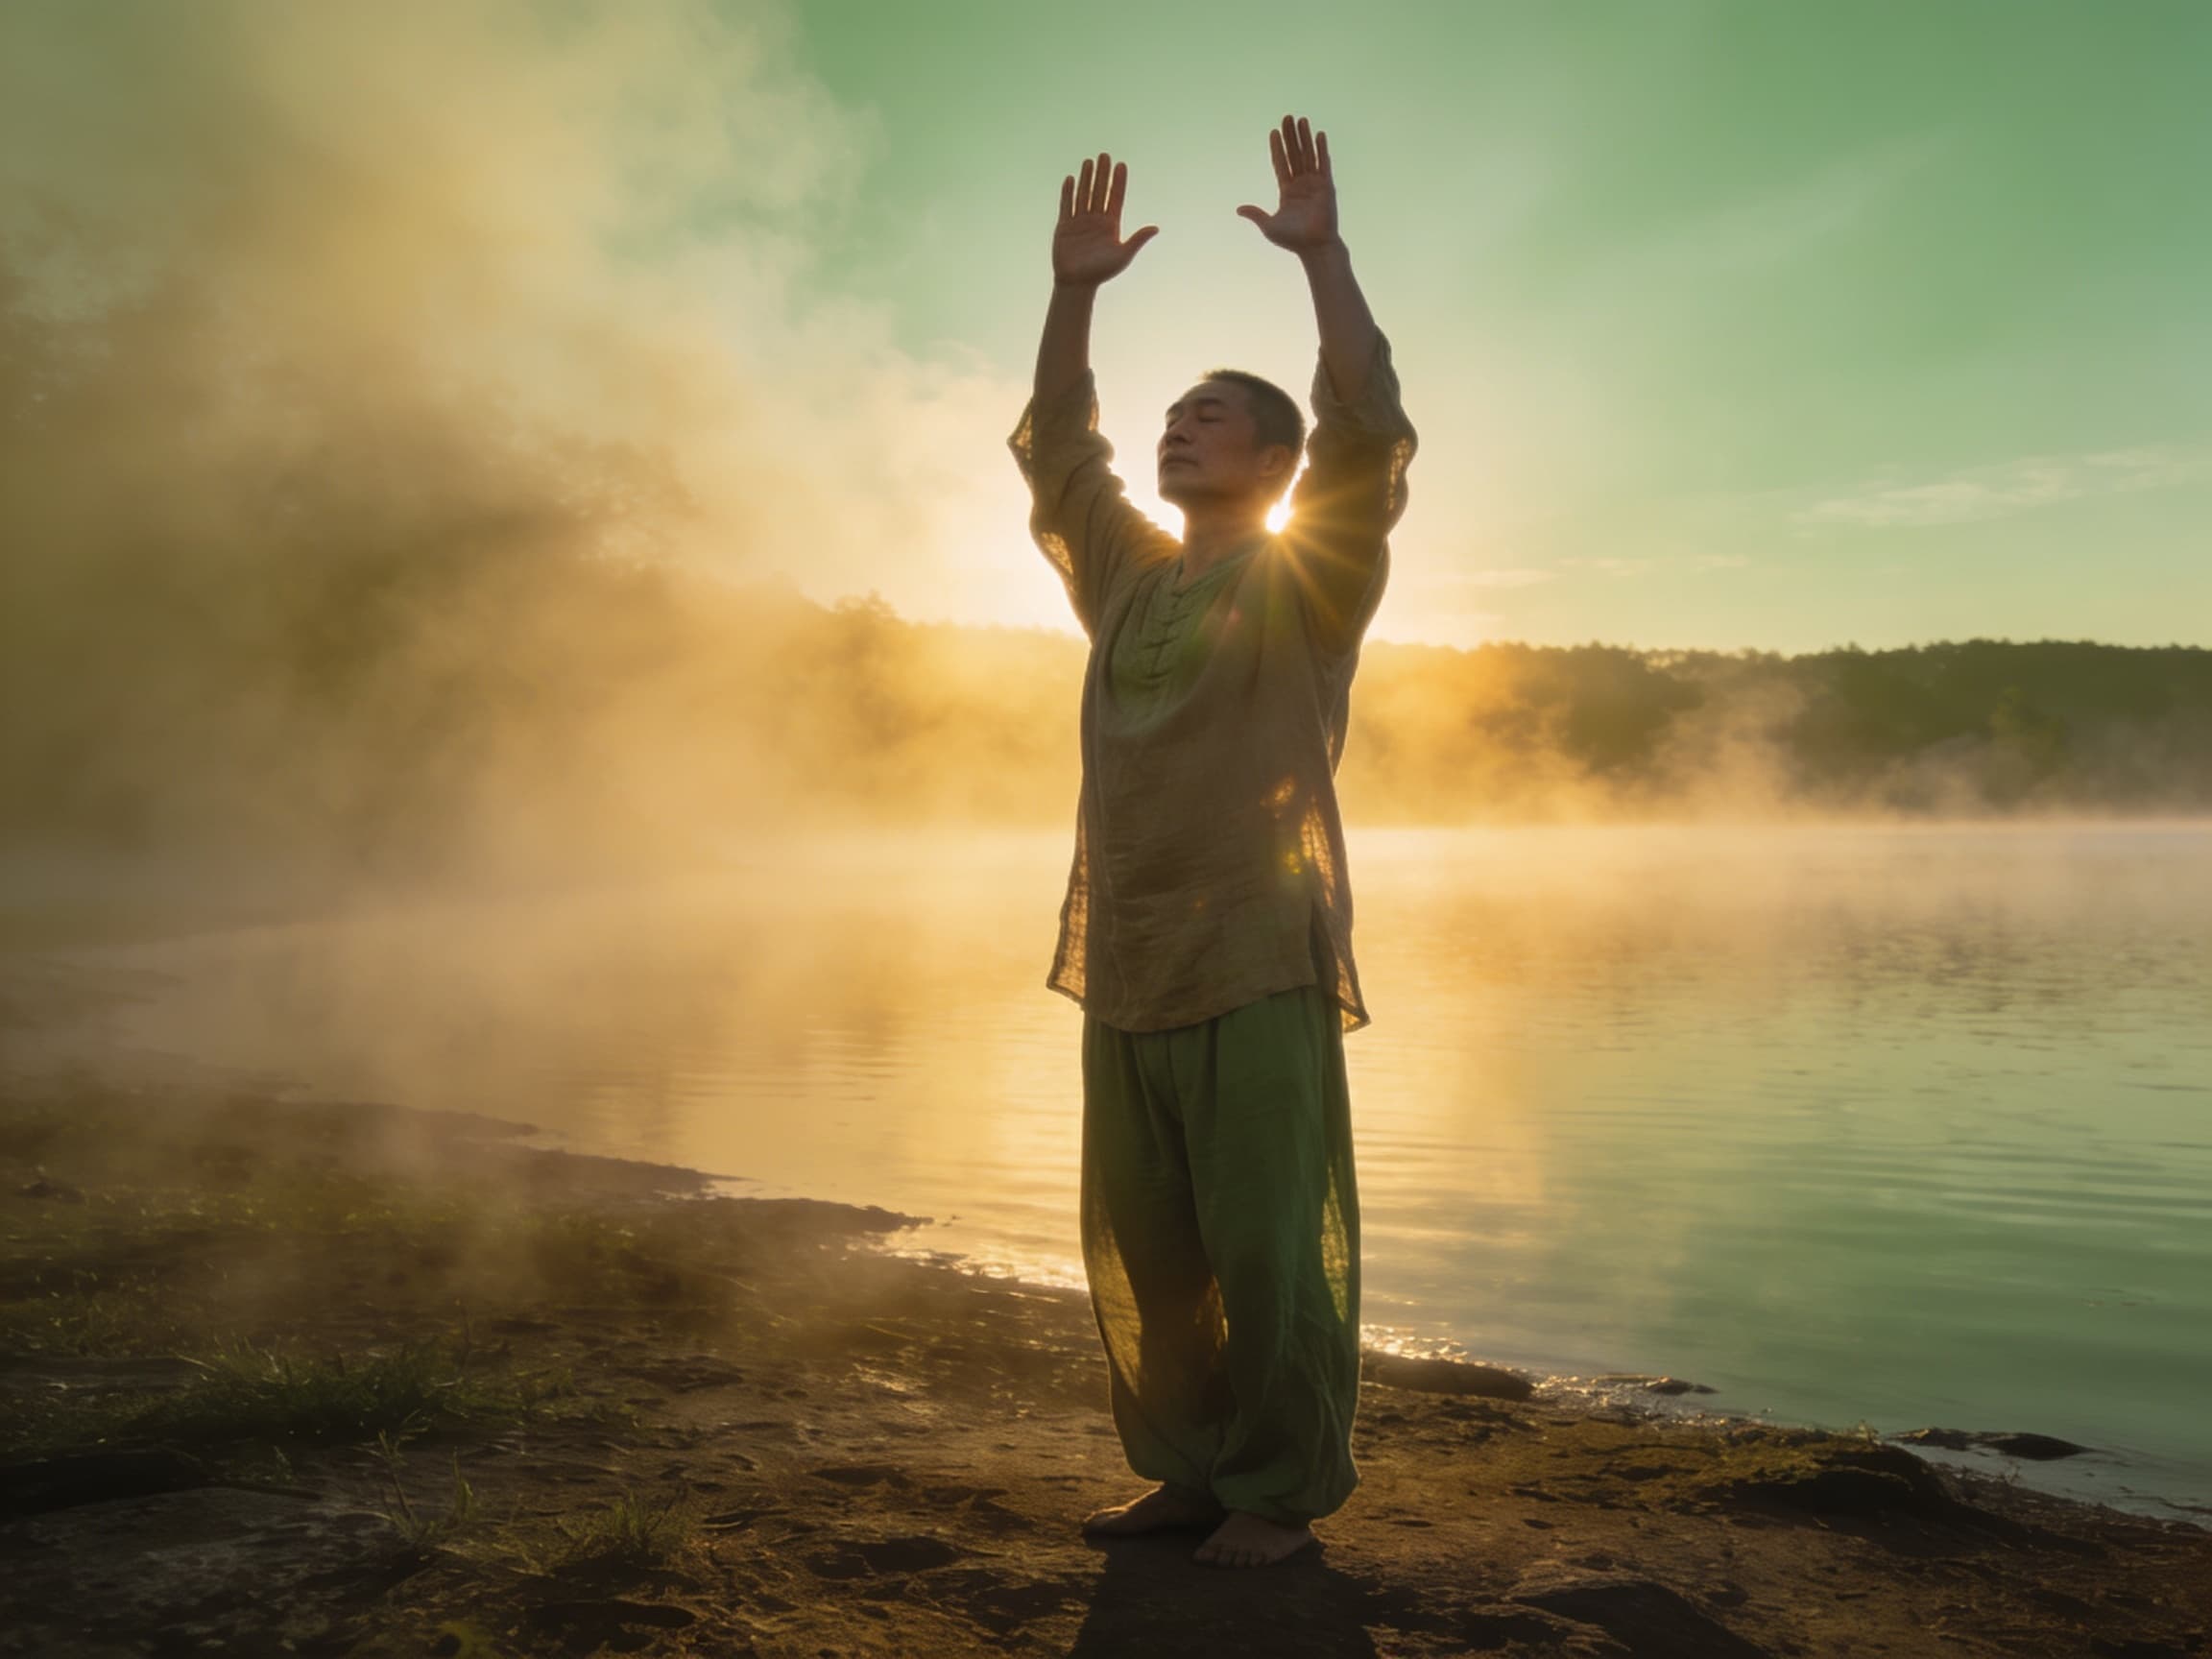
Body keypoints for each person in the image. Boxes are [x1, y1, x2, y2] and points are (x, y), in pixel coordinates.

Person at [1008, 114, 1417, 1569]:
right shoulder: (1124, 577)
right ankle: (1184, 1467)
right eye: (1172, 417)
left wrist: (1324, 259)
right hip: (1125, 953)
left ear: (1276, 463)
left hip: (1259, 953)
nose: (1178, 432)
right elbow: (1061, 450)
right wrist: (1075, 294)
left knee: (1267, 1242)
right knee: (1147, 1242)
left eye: (1212, 418)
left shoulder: (1313, 579)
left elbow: (1368, 427)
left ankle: (1277, 1493)